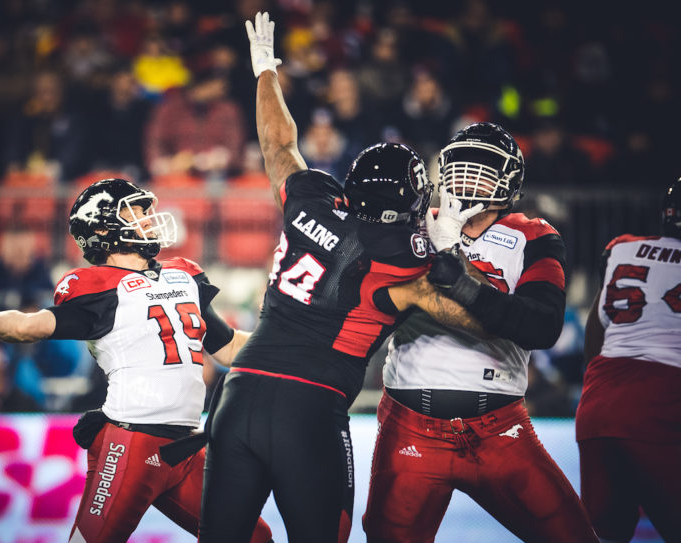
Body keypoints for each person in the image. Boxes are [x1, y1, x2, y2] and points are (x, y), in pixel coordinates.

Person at [196, 13, 488, 543]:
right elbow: (478, 319)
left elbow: (278, 144)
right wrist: (452, 255)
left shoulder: (313, 198)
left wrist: (265, 71)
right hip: (309, 409)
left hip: (237, 396)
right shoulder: (405, 260)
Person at [0, 177, 272, 543]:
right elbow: (29, 327)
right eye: (136, 212)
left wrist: (292, 339)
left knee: (254, 538)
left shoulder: (183, 274)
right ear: (103, 227)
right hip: (131, 442)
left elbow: (228, 349)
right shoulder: (97, 286)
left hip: (186, 448)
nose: (147, 219)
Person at [362, 122, 600, 542]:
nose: (469, 175)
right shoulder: (415, 224)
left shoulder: (534, 235)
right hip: (410, 423)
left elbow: (543, 325)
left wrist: (459, 269)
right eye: (461, 164)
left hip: (499, 430)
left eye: (484, 166)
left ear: (508, 180)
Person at [575, 178, 681, 542]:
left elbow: (596, 330)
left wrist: (596, 385)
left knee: (604, 535)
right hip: (663, 399)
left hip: (600, 397)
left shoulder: (623, 249)